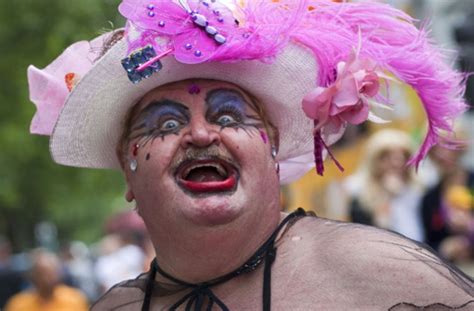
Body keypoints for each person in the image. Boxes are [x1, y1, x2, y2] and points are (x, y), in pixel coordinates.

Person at [27, 0, 473, 309]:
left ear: (273, 151)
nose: (200, 134)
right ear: (128, 173)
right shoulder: (115, 307)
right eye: (166, 124)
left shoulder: (376, 273)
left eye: (228, 116)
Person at [348, 129, 424, 242]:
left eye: (402, 156)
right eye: (385, 157)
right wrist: (386, 199)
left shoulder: (420, 192)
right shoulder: (359, 198)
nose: (396, 163)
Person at [4, 249, 88, 311]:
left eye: (52, 273)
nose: (48, 279)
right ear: (33, 276)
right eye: (43, 274)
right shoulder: (18, 304)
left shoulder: (76, 299)